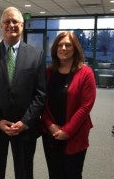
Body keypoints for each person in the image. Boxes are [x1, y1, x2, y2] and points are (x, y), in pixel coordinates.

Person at [0, 6, 46, 179]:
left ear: (22, 25)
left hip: (24, 127)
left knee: (24, 172)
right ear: (1, 26)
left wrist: (25, 122)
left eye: (15, 21)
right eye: (6, 21)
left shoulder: (36, 55)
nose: (11, 25)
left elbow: (40, 93)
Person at [41, 31, 96, 179]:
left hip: (75, 134)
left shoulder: (86, 73)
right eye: (60, 45)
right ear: (55, 49)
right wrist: (50, 125)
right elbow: (41, 102)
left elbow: (86, 106)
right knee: (54, 173)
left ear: (75, 48)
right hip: (51, 133)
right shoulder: (48, 73)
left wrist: (67, 131)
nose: (63, 48)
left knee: (72, 174)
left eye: (68, 45)